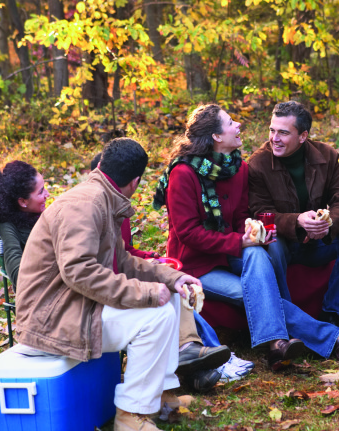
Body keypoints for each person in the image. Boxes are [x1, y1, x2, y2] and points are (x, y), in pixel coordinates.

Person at [15, 138, 210, 431]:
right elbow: (79, 271)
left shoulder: (100, 198)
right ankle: (130, 415)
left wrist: (173, 278)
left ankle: (160, 396)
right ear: (135, 181)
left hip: (74, 306)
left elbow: (124, 260)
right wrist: (144, 293)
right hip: (51, 322)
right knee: (155, 316)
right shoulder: (85, 205)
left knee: (170, 298)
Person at [153, 104, 339, 370]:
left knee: (258, 251)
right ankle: (321, 338)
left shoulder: (238, 169)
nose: (239, 125)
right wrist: (239, 241)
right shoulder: (183, 174)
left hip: (230, 253)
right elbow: (188, 233)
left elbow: (241, 216)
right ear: (216, 136)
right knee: (251, 291)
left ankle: (278, 347)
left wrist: (251, 232)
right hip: (198, 265)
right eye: (230, 122)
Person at [90, 152, 249, 387]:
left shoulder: (118, 208)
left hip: (121, 277)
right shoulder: (93, 211)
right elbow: (96, 267)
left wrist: (152, 258)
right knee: (165, 295)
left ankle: (196, 369)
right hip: (109, 290)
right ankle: (211, 357)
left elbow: (123, 252)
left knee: (175, 287)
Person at [248, 101, 339, 335]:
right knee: (272, 244)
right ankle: (287, 318)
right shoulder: (258, 163)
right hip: (285, 246)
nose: (274, 138)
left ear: (303, 136)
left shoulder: (325, 155)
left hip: (319, 243)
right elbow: (259, 213)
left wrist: (327, 225)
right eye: (272, 130)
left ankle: (336, 313)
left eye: (283, 132)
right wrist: (296, 221)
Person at [0, 161, 50, 290]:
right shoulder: (8, 227)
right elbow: (17, 274)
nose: (47, 194)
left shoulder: (30, 215)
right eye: (41, 192)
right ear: (23, 201)